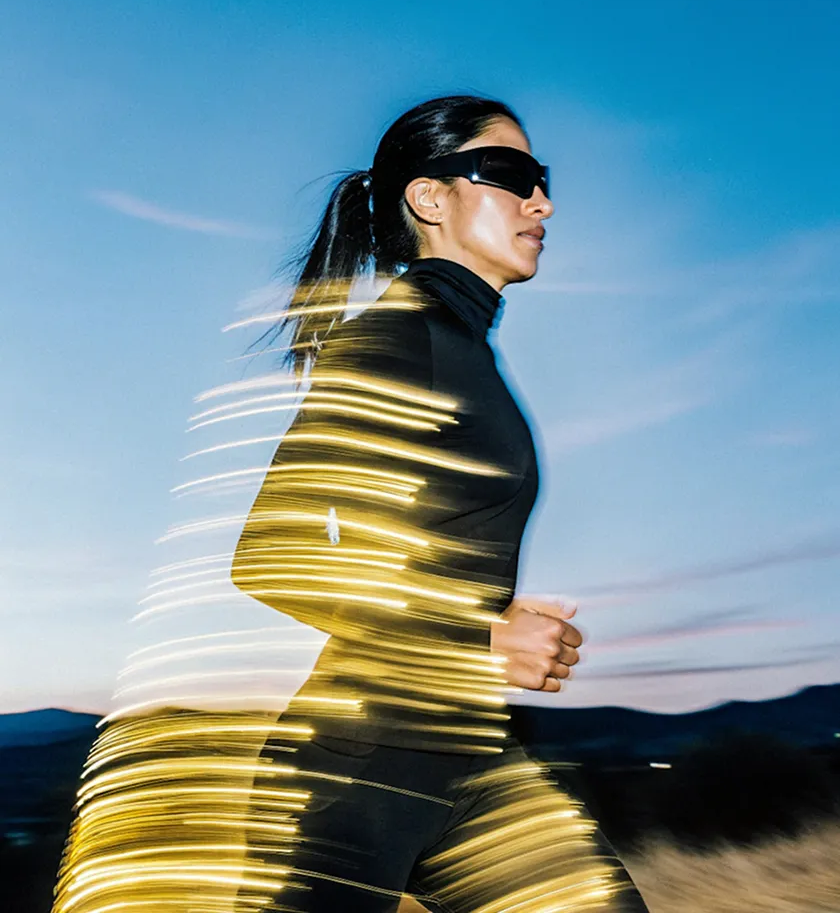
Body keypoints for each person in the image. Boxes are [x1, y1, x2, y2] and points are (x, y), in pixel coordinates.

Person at [232, 95, 648, 911]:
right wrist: (480, 633)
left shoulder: (460, 349)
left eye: (545, 179)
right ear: (430, 198)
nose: (543, 201)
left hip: (467, 755)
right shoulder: (397, 339)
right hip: (354, 770)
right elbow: (271, 554)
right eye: (512, 174)